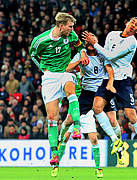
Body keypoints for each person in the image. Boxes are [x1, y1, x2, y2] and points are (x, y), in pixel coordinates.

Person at [83, 17, 137, 167]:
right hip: (108, 78)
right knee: (97, 108)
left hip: (122, 81)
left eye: (136, 26)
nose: (133, 26)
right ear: (126, 23)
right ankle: (117, 142)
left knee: (131, 117)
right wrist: (109, 78)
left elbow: (111, 56)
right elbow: (105, 58)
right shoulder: (112, 35)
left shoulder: (132, 42)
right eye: (132, 22)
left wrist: (95, 43)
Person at [29, 12, 89, 168]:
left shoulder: (70, 35)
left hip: (65, 72)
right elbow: (33, 54)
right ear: (61, 26)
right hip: (50, 78)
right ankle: (54, 153)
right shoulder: (40, 40)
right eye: (70, 26)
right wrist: (43, 69)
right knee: (52, 117)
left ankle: (77, 127)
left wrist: (82, 51)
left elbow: (78, 44)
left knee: (71, 91)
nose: (72, 29)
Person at [52, 42, 119, 177]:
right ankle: (56, 165)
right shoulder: (74, 70)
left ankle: (98, 168)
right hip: (81, 101)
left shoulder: (98, 59)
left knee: (94, 138)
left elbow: (109, 68)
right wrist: (79, 61)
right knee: (66, 132)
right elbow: (67, 69)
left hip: (92, 99)